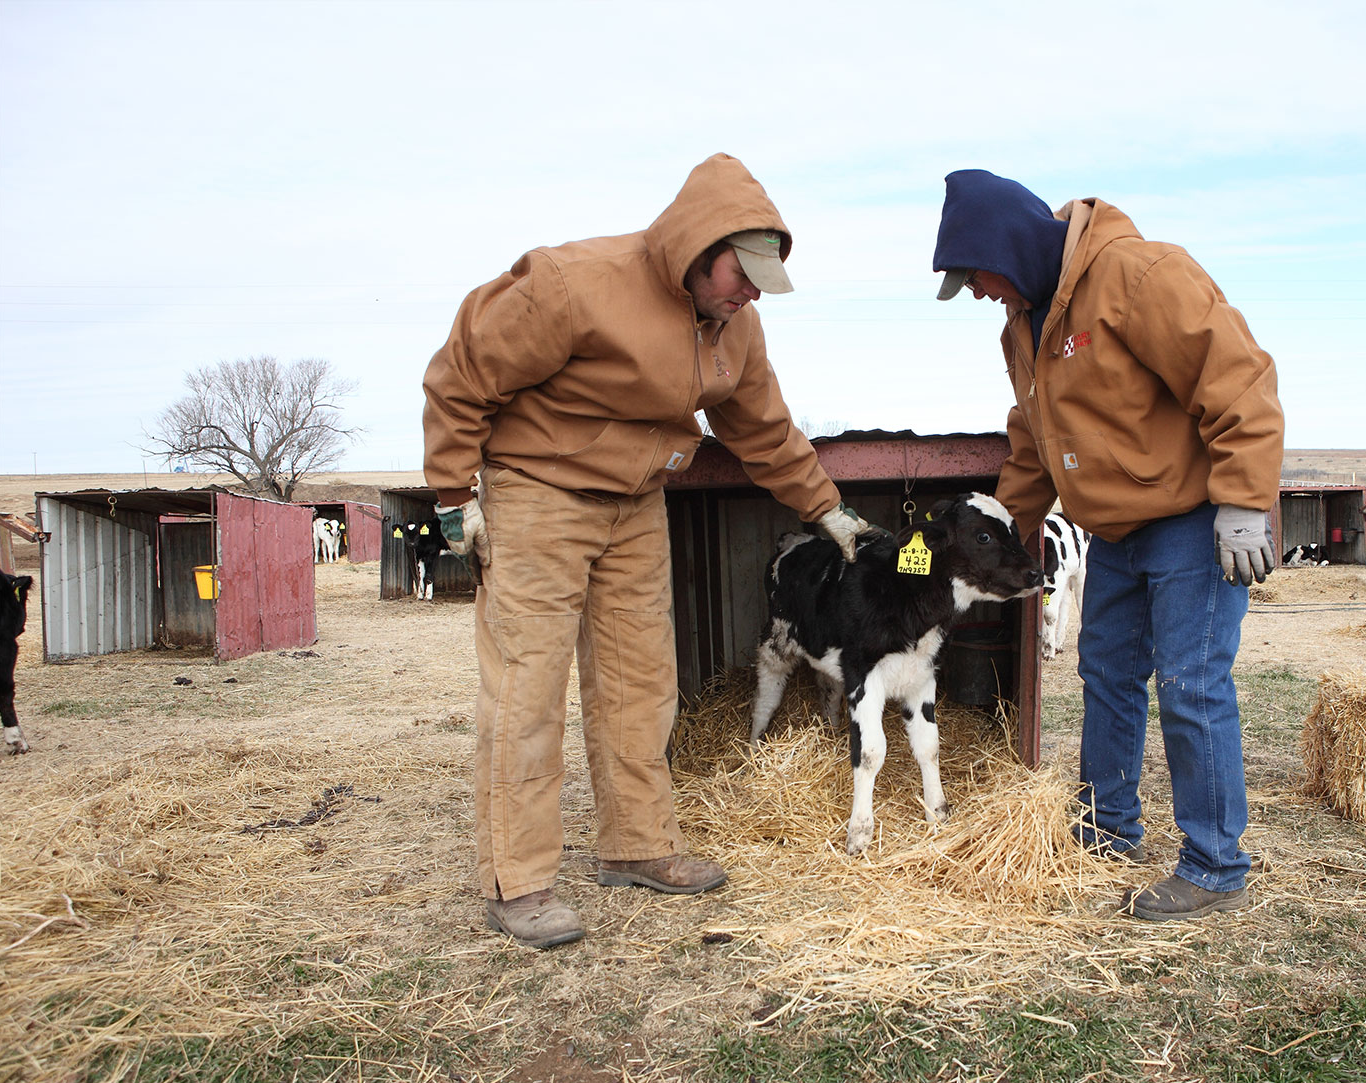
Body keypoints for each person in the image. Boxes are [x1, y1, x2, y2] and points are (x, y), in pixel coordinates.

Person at [424, 153, 868, 949]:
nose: (750, 292)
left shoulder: (737, 324)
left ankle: (635, 844)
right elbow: (463, 373)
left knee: (641, 680)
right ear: (697, 246)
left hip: (637, 501)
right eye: (741, 273)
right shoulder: (574, 282)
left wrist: (828, 511)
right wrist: (455, 490)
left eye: (763, 280)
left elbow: (761, 428)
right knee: (528, 686)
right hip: (539, 491)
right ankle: (516, 881)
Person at [932, 170, 1282, 922]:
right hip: (1114, 532)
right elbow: (1033, 447)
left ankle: (1215, 867)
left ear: (1009, 246)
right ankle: (1107, 830)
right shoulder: (1022, 325)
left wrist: (1244, 502)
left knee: (1190, 686)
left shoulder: (1138, 275)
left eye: (977, 279)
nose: (980, 295)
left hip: (1193, 521)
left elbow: (1237, 379)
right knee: (1106, 677)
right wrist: (987, 537)